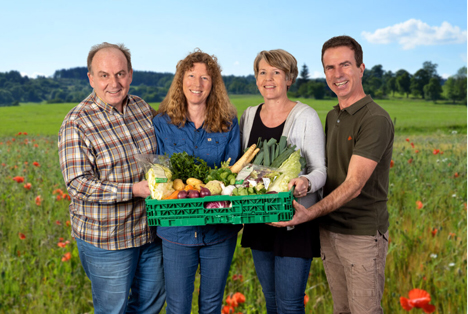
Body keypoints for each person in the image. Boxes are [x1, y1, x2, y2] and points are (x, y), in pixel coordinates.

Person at [274, 36, 394, 314]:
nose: (337, 74)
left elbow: (353, 185)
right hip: (331, 230)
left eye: (345, 65)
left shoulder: (374, 119)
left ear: (361, 68)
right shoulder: (333, 115)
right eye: (330, 67)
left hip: (361, 235)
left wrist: (309, 213)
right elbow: (324, 170)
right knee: (341, 309)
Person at [58, 42, 165, 314]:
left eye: (120, 73)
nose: (113, 83)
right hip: (108, 240)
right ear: (91, 78)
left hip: (150, 233)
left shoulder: (141, 107)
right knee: (113, 310)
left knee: (149, 307)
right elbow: (78, 184)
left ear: (130, 74)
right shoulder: (76, 122)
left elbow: (162, 155)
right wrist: (134, 190)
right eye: (104, 75)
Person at [152, 49, 241, 314]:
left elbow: (231, 177)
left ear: (214, 84)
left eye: (205, 77)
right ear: (181, 81)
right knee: (178, 307)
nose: (197, 83)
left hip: (219, 230)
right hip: (176, 231)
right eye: (191, 76)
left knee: (212, 305)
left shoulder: (227, 123)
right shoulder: (162, 123)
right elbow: (158, 174)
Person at [239, 49, 327, 314]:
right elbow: (243, 167)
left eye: (276, 72)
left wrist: (306, 183)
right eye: (262, 72)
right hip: (259, 220)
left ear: (289, 79)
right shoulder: (249, 115)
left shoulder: (305, 116)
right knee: (272, 300)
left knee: (289, 304)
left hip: (293, 221)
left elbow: (320, 169)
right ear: (256, 78)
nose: (269, 78)